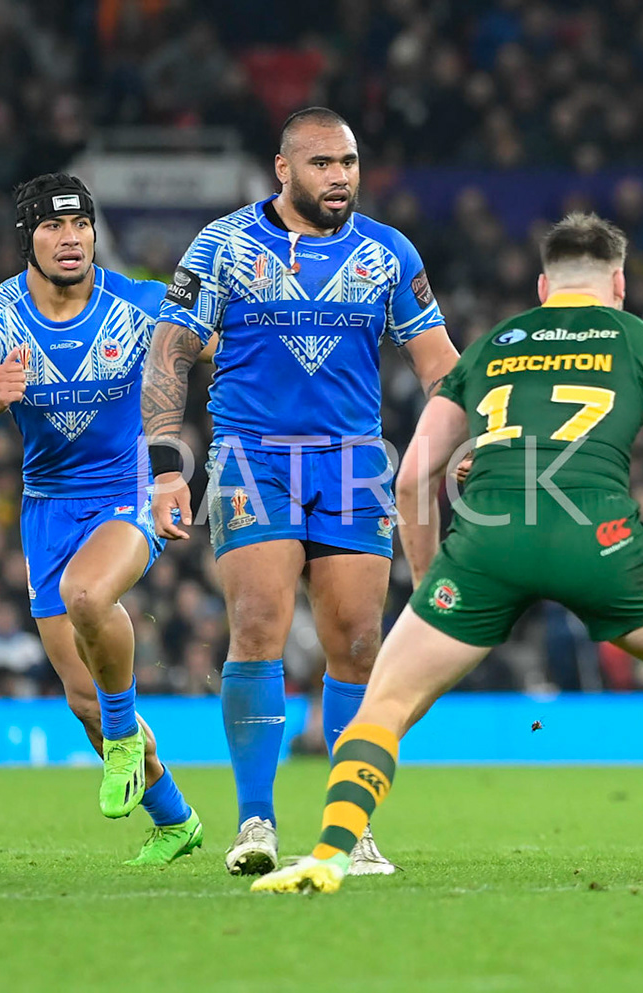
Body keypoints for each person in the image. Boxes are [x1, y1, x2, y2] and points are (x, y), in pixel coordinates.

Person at [251, 213, 643, 894]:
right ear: (618, 281)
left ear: (543, 284)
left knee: (386, 698)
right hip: (600, 537)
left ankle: (328, 853)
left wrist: (430, 578)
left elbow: (414, 476)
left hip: (487, 542)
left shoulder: (490, 347)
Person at [141, 107, 460, 876]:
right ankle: (255, 820)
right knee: (258, 625)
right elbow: (169, 352)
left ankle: (350, 825)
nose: (340, 177)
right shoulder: (224, 246)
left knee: (357, 642)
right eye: (322, 164)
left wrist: (467, 438)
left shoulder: (388, 254)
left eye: (348, 162)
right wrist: (164, 468)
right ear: (282, 170)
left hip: (352, 462)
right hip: (255, 455)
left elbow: (439, 363)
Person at [0, 173, 202, 865]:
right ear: (28, 237)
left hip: (129, 487)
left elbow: (223, 353)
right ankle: (176, 821)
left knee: (88, 595)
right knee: (83, 698)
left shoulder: (138, 302)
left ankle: (120, 743)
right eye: (53, 226)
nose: (71, 238)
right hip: (47, 507)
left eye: (81, 224)